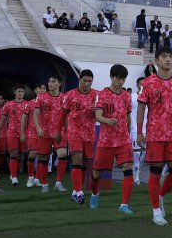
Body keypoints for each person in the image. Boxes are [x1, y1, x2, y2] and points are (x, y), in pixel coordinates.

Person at [137, 48, 172, 226]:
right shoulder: (148, 82)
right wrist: (139, 132)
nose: (168, 59)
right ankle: (156, 212)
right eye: (164, 57)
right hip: (154, 134)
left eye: (170, 56)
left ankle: (159, 196)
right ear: (156, 61)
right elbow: (141, 108)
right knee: (155, 172)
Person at [92, 64, 136, 213]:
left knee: (128, 167)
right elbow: (98, 116)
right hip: (106, 141)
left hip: (123, 140)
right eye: (118, 78)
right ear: (112, 77)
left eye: (123, 79)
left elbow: (128, 116)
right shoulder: (102, 94)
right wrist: (107, 120)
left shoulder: (126, 96)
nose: (121, 82)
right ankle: (94, 193)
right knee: (97, 173)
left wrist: (129, 134)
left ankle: (124, 205)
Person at [59, 70, 99, 204]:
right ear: (79, 80)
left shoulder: (96, 95)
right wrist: (58, 131)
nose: (87, 84)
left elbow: (101, 113)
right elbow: (63, 114)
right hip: (74, 132)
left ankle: (76, 192)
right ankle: (80, 192)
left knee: (84, 164)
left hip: (89, 133)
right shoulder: (70, 95)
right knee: (77, 159)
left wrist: (97, 112)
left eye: (89, 81)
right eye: (84, 81)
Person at [33, 75, 67, 193]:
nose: (50, 83)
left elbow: (66, 115)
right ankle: (44, 184)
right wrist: (38, 128)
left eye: (53, 81)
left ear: (59, 84)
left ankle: (58, 183)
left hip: (59, 132)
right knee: (44, 158)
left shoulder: (64, 98)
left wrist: (67, 129)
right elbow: (36, 113)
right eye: (49, 81)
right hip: (45, 132)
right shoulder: (41, 97)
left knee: (62, 154)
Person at [0, 86, 26, 185]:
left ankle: (14, 173)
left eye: (22, 91)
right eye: (19, 91)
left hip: (23, 134)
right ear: (15, 92)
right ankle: (13, 177)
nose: (20, 93)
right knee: (13, 153)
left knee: (20, 155)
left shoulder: (27, 104)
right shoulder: (8, 105)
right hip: (12, 133)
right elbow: (3, 120)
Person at [20, 84, 46, 187]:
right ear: (35, 90)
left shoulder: (48, 103)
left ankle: (37, 179)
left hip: (44, 134)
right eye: (40, 88)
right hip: (32, 133)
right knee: (32, 155)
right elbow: (23, 119)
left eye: (44, 88)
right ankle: (30, 177)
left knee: (41, 156)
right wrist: (22, 133)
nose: (42, 90)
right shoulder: (30, 104)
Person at [130, 77, 145, 185]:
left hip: (147, 129)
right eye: (140, 83)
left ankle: (137, 172)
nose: (142, 85)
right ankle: (135, 178)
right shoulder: (132, 97)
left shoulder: (149, 97)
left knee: (145, 154)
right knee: (136, 153)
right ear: (137, 85)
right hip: (135, 129)